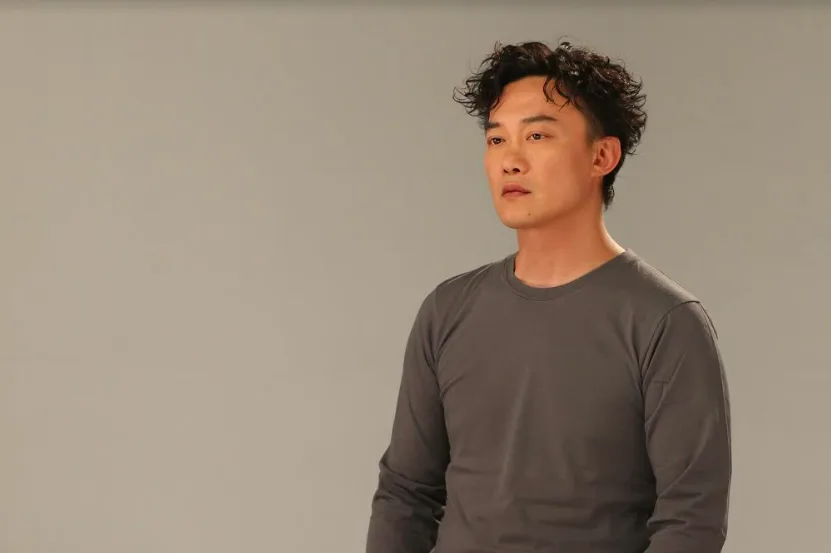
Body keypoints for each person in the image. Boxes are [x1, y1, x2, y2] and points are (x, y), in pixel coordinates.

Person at [365, 39, 731, 553]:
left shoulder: (666, 322)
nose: (510, 161)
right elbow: (405, 494)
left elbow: (691, 522)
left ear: (602, 156)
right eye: (496, 140)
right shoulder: (446, 311)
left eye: (537, 135)